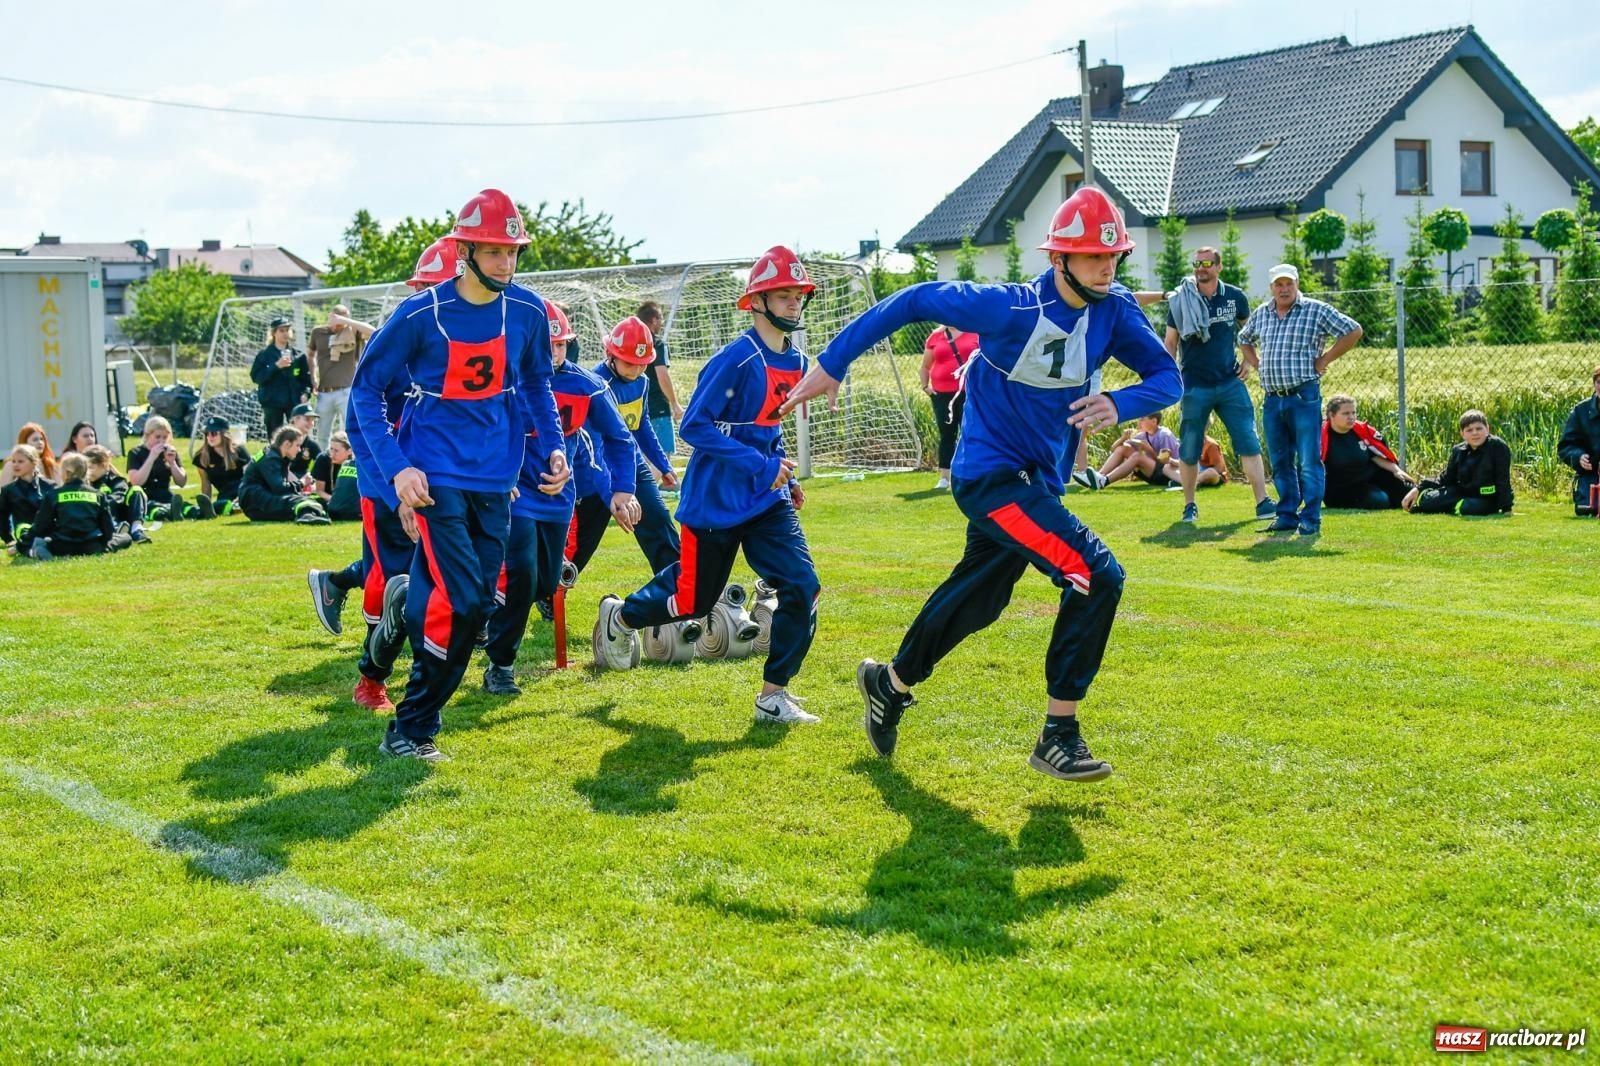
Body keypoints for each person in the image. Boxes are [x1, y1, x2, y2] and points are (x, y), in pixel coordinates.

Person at [782, 186, 1182, 778]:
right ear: (1058, 259)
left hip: (1038, 485)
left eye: (1114, 255)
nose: (1107, 266)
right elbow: (914, 299)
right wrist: (834, 363)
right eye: (1094, 256)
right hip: (990, 477)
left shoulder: (1115, 310)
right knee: (1097, 575)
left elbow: (1167, 380)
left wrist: (1118, 403)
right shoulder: (1011, 308)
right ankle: (1059, 734)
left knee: (982, 598)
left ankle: (888, 684)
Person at [348, 187, 568, 762]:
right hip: (435, 478)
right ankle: (412, 727)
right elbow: (366, 393)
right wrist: (397, 470)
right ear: (464, 250)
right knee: (469, 603)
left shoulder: (526, 313)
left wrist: (554, 447)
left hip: (498, 480)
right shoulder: (421, 314)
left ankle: (401, 611)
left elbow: (538, 386)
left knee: (461, 604)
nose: (506, 262)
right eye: (494, 251)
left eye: (513, 252)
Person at [593, 246, 824, 726]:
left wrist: (780, 472)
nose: (793, 305)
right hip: (714, 503)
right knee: (691, 601)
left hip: (765, 500)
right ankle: (620, 616)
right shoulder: (735, 360)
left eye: (798, 296)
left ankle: (773, 696)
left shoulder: (798, 362)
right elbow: (694, 427)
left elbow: (768, 429)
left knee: (804, 586)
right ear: (757, 301)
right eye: (783, 296)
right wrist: (759, 467)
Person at [481, 300, 638, 695]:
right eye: (546, 344)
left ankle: (483, 607)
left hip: (559, 497)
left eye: (560, 345)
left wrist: (623, 489)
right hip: (514, 493)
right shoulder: (504, 380)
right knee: (522, 575)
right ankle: (500, 666)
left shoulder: (586, 386)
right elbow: (482, 431)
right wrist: (497, 474)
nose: (552, 353)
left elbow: (620, 438)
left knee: (547, 581)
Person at [1238, 263, 1364, 536]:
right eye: (1278, 285)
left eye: (1289, 284)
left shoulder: (1315, 310)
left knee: (1308, 460)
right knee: (1281, 461)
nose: (1284, 289)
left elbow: (1353, 330)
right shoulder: (1263, 313)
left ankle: (1310, 517)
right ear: (1271, 288)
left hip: (1302, 395)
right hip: (1273, 399)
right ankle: (1286, 515)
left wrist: (1325, 359)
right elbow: (1243, 338)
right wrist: (1257, 363)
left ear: (1297, 284)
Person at [1162, 246, 1274, 525]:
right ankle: (1189, 506)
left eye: (1208, 263)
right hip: (1194, 385)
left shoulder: (1235, 297)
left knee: (1248, 441)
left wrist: (1248, 363)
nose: (1201, 268)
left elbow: (1249, 332)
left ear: (1219, 267)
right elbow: (1171, 343)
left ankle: (1262, 502)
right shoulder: (1181, 300)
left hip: (1229, 383)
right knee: (1188, 448)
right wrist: (1168, 377)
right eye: (1197, 263)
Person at [569, 315, 682, 579]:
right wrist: (611, 496)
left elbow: (642, 426)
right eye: (630, 362)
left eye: (642, 364)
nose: (636, 370)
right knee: (583, 541)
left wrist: (663, 464)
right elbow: (593, 447)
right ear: (611, 354)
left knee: (657, 519)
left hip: (631, 465)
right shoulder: (594, 385)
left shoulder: (642, 383)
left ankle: (677, 588)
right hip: (594, 470)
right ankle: (551, 592)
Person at [24, 452, 132, 561]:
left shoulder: (53, 495)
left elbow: (40, 526)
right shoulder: (98, 495)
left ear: (65, 473)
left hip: (62, 546)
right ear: (86, 472)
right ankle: (108, 546)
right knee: (125, 537)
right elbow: (108, 531)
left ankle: (41, 552)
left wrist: (21, 545)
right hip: (91, 546)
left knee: (39, 542)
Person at [1403, 410, 1514, 516]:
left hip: (1487, 497)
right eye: (1469, 430)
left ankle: (1451, 506)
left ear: (1487, 429)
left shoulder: (1499, 447)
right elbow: (1446, 478)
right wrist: (1418, 488)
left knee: (1467, 507)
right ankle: (1445, 505)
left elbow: (1503, 479)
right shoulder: (1458, 450)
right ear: (1462, 434)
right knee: (1427, 501)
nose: (1475, 433)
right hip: (1461, 492)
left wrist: (1506, 508)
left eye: (1479, 428)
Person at [1320, 395, 1414, 510]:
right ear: (1331, 415)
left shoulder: (1363, 431)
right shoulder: (1320, 438)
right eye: (1346, 414)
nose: (1351, 417)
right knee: (1379, 500)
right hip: (1341, 488)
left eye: (1353, 413)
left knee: (1409, 490)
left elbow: (1376, 456)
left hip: (1369, 480)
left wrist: (1397, 471)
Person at [307, 304, 376, 446]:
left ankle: (353, 462)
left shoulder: (352, 331)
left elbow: (373, 331)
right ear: (330, 317)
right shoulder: (318, 332)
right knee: (321, 434)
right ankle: (324, 464)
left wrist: (347, 322)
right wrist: (313, 376)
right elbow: (311, 355)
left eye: (344, 320)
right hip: (324, 391)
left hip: (346, 390)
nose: (340, 324)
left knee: (352, 429)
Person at [921, 324, 979, 490]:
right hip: (941, 394)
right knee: (947, 434)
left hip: (969, 392)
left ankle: (972, 475)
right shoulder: (935, 337)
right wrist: (926, 387)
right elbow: (925, 366)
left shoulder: (975, 332)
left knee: (969, 433)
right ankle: (945, 477)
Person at [237, 426, 331, 524]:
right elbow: (280, 488)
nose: (299, 450)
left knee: (315, 499)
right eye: (297, 445)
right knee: (299, 500)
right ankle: (307, 516)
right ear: (287, 444)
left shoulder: (275, 455)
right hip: (255, 501)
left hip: (258, 499)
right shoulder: (271, 459)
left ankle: (311, 514)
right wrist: (302, 483)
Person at [126, 415, 197, 521]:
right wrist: (151, 457)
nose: (161, 441)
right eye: (157, 437)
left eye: (165, 437)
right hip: (145, 495)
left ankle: (196, 511)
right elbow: (136, 482)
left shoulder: (170, 452)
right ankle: (168, 513)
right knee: (156, 510)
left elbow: (182, 482)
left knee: (185, 506)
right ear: (147, 435)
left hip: (164, 493)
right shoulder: (136, 453)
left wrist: (172, 463)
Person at [637, 301, 685, 457]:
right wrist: (675, 404)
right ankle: (641, 483)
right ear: (654, 320)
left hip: (634, 408)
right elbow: (662, 375)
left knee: (642, 458)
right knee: (662, 459)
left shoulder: (632, 343)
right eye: (661, 318)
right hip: (658, 408)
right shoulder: (656, 344)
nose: (662, 322)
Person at [251, 316, 311, 435]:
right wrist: (276, 366)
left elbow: (305, 379)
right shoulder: (264, 355)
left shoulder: (298, 356)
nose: (285, 333)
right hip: (272, 403)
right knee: (275, 437)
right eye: (281, 330)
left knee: (296, 436)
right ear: (274, 333)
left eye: (287, 330)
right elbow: (257, 377)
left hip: (293, 403)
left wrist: (306, 393)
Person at [83, 444, 152, 543]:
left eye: (90, 468)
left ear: (103, 465)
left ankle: (136, 529)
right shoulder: (84, 482)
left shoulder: (117, 480)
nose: (87, 472)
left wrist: (100, 504)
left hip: (117, 515)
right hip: (95, 518)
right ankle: (116, 531)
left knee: (136, 490)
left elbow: (118, 497)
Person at [1093, 412, 1180, 487]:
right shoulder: (1142, 435)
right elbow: (1114, 450)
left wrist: (1148, 449)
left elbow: (1165, 462)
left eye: (1142, 419)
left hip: (1168, 474)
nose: (1139, 421)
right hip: (1152, 471)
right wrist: (1123, 438)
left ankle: (1104, 481)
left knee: (1137, 456)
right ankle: (1097, 476)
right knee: (1124, 448)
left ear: (1154, 421)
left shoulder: (1164, 435)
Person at [1557, 366, 1600, 516]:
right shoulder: (1580, 411)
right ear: (1594, 384)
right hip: (1592, 473)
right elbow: (1565, 446)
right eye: (1599, 382)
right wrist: (1578, 457)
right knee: (1589, 508)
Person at [192, 416, 253, 517]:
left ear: (224, 434)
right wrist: (205, 502)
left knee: (228, 505)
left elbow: (250, 477)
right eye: (206, 433)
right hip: (225, 494)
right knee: (220, 505)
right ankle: (201, 511)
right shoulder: (201, 456)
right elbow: (206, 484)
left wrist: (242, 495)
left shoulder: (239, 450)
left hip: (243, 490)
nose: (209, 437)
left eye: (214, 433)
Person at [0, 444, 47, 555]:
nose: (16, 465)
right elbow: (1, 518)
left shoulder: (49, 486)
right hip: (23, 533)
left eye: (20, 461)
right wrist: (9, 540)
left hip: (46, 532)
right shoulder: (8, 490)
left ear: (34, 462)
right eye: (14, 461)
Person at [310, 430, 363, 521]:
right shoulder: (323, 459)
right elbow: (319, 491)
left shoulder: (355, 463)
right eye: (331, 449)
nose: (332, 454)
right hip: (329, 499)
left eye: (336, 451)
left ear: (349, 451)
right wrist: (335, 499)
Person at [2, 423, 58, 487]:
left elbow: (59, 488)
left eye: (42, 439)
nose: (40, 442)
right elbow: (3, 491)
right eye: (35, 440)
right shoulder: (11, 464)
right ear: (24, 442)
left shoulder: (49, 464)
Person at [286, 404, 323, 482]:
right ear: (295, 419)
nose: (311, 423)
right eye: (307, 419)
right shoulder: (283, 441)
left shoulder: (311, 445)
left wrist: (311, 477)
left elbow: (323, 462)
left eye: (312, 420)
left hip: (302, 480)